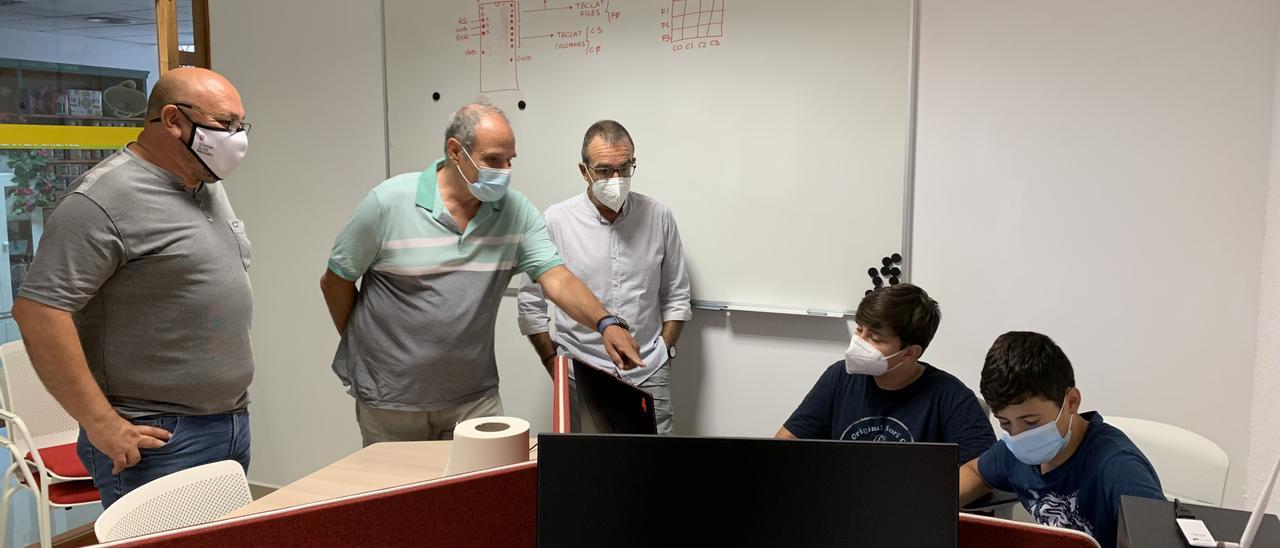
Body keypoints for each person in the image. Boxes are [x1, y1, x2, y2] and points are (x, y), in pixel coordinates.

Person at [321, 102, 642, 445]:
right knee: (402, 496)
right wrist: (368, 346)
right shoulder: (388, 203)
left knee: (479, 495)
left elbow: (556, 277)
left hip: (474, 396)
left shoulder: (515, 212)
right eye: (492, 160)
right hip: (391, 398)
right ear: (455, 152)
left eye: (510, 160)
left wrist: (604, 322)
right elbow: (336, 281)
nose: (504, 170)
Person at [14, 67, 255, 507]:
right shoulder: (101, 200)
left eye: (242, 126)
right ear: (173, 120)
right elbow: (39, 313)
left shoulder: (204, 186)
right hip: (156, 437)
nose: (237, 139)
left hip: (228, 421)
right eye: (226, 125)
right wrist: (102, 423)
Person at [517, 120, 691, 434]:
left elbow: (677, 296)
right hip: (579, 371)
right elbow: (531, 305)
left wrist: (664, 351)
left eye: (625, 168)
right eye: (605, 170)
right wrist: (551, 363)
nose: (616, 179)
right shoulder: (556, 220)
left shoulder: (659, 216)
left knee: (655, 471)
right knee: (585, 471)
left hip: (648, 372)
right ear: (584, 171)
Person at [959, 331, 1164, 548]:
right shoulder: (1012, 452)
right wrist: (931, 508)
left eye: (1031, 422)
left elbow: (1158, 538)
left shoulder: (1119, 468)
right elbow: (976, 472)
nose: (1018, 436)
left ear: (1071, 402)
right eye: (1004, 423)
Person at [776, 284, 995, 464]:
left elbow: (981, 473)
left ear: (910, 353)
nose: (860, 342)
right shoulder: (839, 377)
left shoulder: (950, 396)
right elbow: (785, 443)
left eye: (876, 339)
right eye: (860, 330)